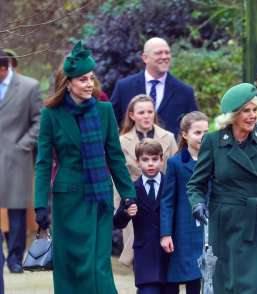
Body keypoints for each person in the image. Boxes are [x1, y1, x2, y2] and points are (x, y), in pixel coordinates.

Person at [34, 41, 136, 294]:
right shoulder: (51, 114)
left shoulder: (103, 111)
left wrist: (127, 194)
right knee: (69, 265)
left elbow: (114, 157)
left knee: (98, 264)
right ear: (68, 83)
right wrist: (39, 205)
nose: (89, 84)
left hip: (98, 198)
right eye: (82, 79)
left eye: (91, 78)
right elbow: (44, 162)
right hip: (67, 199)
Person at [187, 83, 257, 294]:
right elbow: (196, 184)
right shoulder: (214, 142)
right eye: (246, 111)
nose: (252, 116)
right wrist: (197, 204)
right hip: (226, 227)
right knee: (229, 285)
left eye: (255, 110)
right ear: (233, 115)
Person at [116, 94, 178, 266]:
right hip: (134, 201)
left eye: (150, 111)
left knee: (164, 249)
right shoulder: (121, 141)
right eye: (141, 112)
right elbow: (117, 177)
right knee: (138, 251)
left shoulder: (168, 137)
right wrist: (120, 206)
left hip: (162, 201)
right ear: (131, 115)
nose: (146, 116)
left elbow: (175, 171)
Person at [114, 139, 177, 294]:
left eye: (155, 159)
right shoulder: (132, 189)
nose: (150, 164)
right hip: (145, 255)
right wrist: (126, 213)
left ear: (162, 160)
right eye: (145, 160)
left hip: (169, 254)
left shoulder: (170, 185)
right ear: (137, 162)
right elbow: (118, 222)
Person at [0, 49, 42, 274]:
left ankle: (15, 258)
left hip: (17, 158)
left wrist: (23, 145)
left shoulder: (29, 86)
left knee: (16, 210)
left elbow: (39, 120)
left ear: (4, 68)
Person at [160, 111, 209, 294]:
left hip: (209, 229)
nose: (202, 136)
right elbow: (168, 201)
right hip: (185, 230)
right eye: (197, 132)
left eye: (206, 132)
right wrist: (165, 233)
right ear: (185, 135)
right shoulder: (176, 163)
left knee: (209, 277)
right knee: (190, 277)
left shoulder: (215, 160)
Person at [111, 37, 198, 136]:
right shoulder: (124, 87)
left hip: (171, 150)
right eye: (159, 53)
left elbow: (194, 127)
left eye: (167, 52)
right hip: (132, 150)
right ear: (145, 58)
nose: (165, 56)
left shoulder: (185, 91)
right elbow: (111, 123)